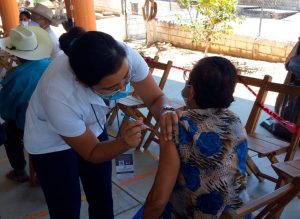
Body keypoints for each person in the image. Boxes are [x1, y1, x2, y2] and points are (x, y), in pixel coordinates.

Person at [24, 27, 177, 219]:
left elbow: (156, 98)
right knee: (65, 205)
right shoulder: (59, 95)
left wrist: (167, 111)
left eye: (126, 77)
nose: (124, 88)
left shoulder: (122, 55)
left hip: (91, 125)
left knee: (101, 193)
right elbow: (92, 152)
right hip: (50, 143)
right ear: (83, 82)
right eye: (112, 87)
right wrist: (124, 142)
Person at [142, 56, 249, 219]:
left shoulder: (177, 127)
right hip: (238, 212)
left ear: (190, 91)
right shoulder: (235, 121)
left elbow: (158, 201)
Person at [0, 26, 52, 182]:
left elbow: (6, 112)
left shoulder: (15, 78)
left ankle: (19, 170)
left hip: (29, 124)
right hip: (56, 119)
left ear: (16, 56)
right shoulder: (51, 65)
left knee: (9, 131)